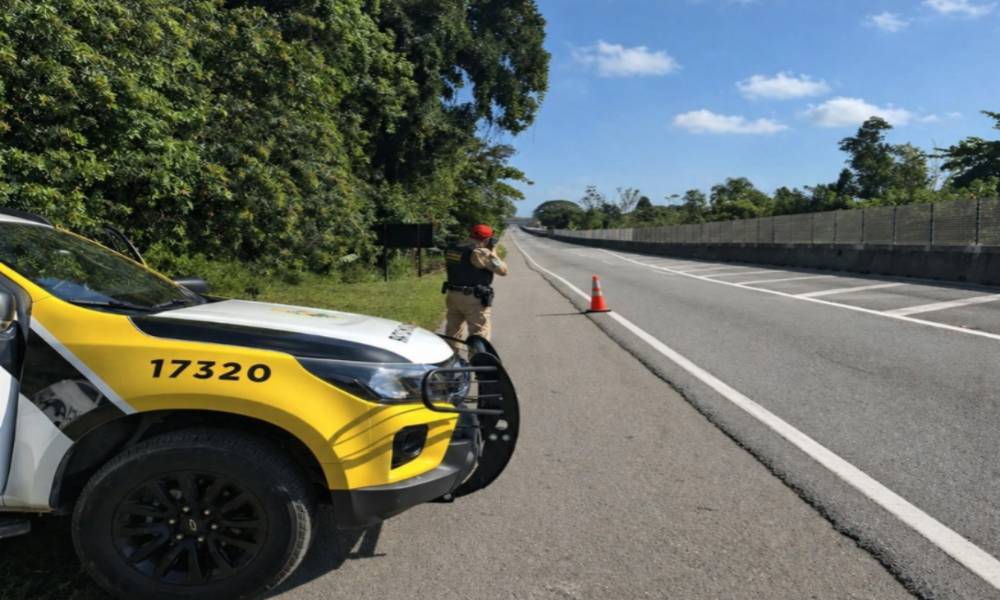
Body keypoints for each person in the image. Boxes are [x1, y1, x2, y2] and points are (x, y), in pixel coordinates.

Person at [443, 224, 508, 346]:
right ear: (487, 239)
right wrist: (493, 252)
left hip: (453, 295)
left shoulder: (454, 247)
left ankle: (452, 356)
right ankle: (476, 358)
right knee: (479, 334)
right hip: (473, 299)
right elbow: (503, 271)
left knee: (452, 332)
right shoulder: (480, 252)